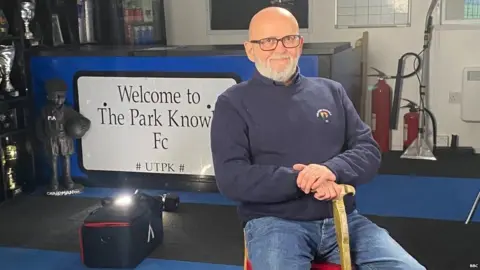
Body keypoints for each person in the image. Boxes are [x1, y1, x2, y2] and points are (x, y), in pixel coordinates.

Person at [210, 6, 425, 270]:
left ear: (299, 44)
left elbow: (368, 150)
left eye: (288, 39)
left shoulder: (331, 92)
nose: (280, 49)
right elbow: (231, 178)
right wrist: (305, 181)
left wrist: (329, 170)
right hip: (274, 223)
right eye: (267, 41)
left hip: (342, 218)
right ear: (250, 49)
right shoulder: (232, 103)